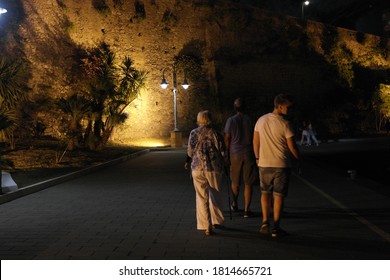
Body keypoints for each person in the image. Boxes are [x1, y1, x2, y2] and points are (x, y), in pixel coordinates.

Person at [253, 94, 299, 237]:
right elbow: (292, 147)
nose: (290, 110)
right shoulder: (285, 123)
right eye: (288, 107)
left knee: (265, 193)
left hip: (264, 164)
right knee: (278, 196)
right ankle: (276, 227)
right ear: (280, 106)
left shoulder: (261, 120)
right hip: (281, 164)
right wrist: (299, 159)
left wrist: (257, 158)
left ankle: (265, 221)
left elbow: (255, 141)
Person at [185, 110, 227, 236]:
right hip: (214, 168)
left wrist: (187, 162)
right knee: (215, 194)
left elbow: (190, 151)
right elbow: (223, 151)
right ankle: (216, 220)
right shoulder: (216, 133)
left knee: (201, 196)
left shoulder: (193, 133)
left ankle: (206, 226)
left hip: (197, 168)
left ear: (199, 119)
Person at [224, 98, 257, 218]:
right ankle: (247, 210)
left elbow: (227, 138)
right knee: (248, 183)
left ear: (234, 108)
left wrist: (226, 153)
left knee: (235, 181)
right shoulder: (250, 120)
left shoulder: (231, 120)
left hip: (235, 153)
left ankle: (235, 203)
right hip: (248, 152)